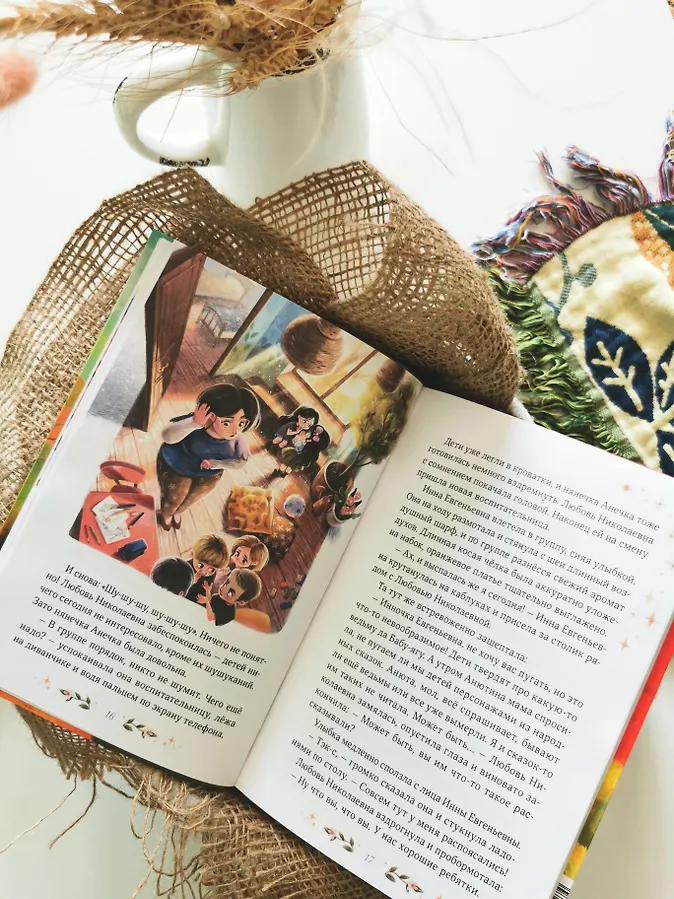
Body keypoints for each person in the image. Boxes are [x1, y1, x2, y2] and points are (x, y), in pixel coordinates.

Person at [156, 379, 260, 531]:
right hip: (177, 466)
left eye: (241, 423)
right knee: (173, 499)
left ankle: (177, 513)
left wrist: (216, 464)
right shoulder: (196, 423)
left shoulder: (238, 439)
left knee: (191, 500)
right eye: (227, 422)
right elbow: (167, 436)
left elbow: (241, 461)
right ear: (211, 415)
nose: (235, 430)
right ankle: (166, 515)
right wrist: (193, 423)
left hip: (209, 473)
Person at [197, 568, 271, 633]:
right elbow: (210, 602)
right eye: (226, 583)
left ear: (240, 602)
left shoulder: (229, 614)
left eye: (230, 593)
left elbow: (211, 619)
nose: (223, 588)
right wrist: (208, 591)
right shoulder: (218, 597)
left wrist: (206, 602)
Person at [269, 405, 330, 478]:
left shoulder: (311, 445)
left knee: (287, 463)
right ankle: (283, 473)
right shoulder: (303, 432)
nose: (306, 426)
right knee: (290, 465)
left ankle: (281, 472)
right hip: (297, 453)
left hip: (297, 454)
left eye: (309, 425)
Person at [185, 534, 228, 604]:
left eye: (211, 569)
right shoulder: (185, 567)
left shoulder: (211, 575)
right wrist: (192, 581)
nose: (205, 572)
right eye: (200, 565)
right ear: (192, 554)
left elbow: (205, 592)